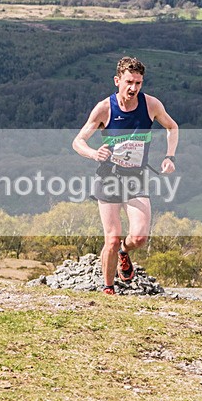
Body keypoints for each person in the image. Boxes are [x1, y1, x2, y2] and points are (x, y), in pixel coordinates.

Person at [72, 56, 178, 295]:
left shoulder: (151, 105)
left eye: (139, 83)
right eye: (129, 82)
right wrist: (92, 153)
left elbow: (172, 127)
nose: (134, 88)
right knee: (111, 237)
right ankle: (108, 289)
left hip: (136, 177)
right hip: (108, 177)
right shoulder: (104, 108)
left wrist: (170, 156)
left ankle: (124, 252)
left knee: (139, 237)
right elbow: (78, 141)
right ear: (117, 80)